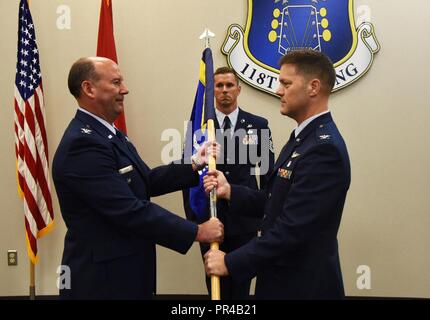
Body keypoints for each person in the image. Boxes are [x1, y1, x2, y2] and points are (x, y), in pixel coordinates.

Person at [52, 57, 223, 300]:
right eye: (116, 82)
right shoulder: (82, 144)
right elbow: (128, 209)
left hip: (127, 271)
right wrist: (196, 231)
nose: (125, 89)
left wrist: (194, 163)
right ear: (89, 89)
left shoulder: (109, 134)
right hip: (102, 281)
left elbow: (146, 181)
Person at [203, 50, 351, 299]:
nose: (278, 90)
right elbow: (277, 201)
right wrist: (231, 192)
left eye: (286, 83)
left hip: (301, 285)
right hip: (281, 278)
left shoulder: (323, 149)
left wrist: (231, 262)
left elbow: (292, 230)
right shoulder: (302, 138)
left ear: (313, 87)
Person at [183, 67, 274, 299]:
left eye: (229, 85)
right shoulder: (199, 129)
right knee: (214, 286)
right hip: (211, 220)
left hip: (245, 219)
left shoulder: (257, 125)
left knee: (241, 286)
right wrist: (194, 221)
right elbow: (188, 179)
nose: (224, 90)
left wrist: (266, 218)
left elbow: (267, 177)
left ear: (239, 89)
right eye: (219, 86)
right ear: (212, 91)